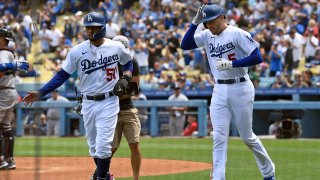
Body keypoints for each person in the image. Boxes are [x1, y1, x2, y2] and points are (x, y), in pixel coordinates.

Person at [22, 12, 133, 180]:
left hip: (109, 100)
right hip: (88, 101)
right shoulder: (77, 51)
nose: (89, 31)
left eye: (93, 27)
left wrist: (126, 77)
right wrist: (41, 92)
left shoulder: (115, 47)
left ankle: (101, 178)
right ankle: (106, 176)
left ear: (102, 28)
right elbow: (62, 75)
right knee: (93, 147)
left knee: (103, 146)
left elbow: (128, 61)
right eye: (87, 28)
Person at [180, 4, 275, 180]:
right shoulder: (207, 35)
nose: (210, 25)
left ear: (222, 17)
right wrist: (195, 23)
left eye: (212, 21)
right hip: (219, 89)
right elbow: (185, 44)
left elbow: (257, 57)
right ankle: (218, 177)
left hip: (241, 87)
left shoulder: (237, 33)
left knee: (247, 137)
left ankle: (269, 173)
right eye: (206, 22)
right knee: (219, 136)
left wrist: (233, 64)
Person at [0, 28, 29, 170]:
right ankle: (9, 160)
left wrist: (10, 65)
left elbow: (0, 71)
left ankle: (2, 160)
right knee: (5, 127)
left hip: (3, 93)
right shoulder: (8, 53)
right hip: (8, 92)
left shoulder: (2, 53)